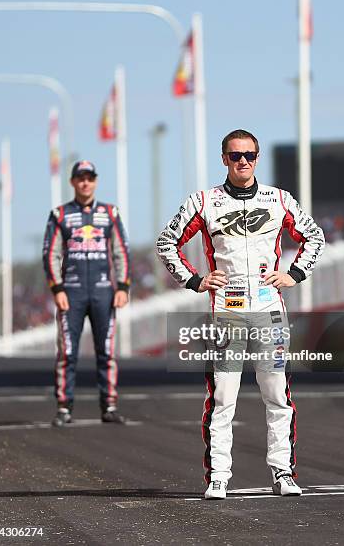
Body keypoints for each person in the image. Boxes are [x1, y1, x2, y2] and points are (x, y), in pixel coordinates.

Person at [156, 129, 325, 499]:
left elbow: (315, 237)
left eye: (249, 155)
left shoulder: (279, 199)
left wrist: (294, 274)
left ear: (257, 157)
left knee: (277, 396)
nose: (243, 161)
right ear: (224, 159)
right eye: (235, 156)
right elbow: (166, 243)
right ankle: (219, 476)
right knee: (222, 399)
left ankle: (283, 472)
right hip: (226, 312)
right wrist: (195, 280)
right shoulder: (204, 202)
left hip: (270, 311)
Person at [43, 160, 130, 427]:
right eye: (80, 178)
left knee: (106, 351)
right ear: (72, 182)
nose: (85, 182)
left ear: (95, 180)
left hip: (104, 292)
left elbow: (121, 251)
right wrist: (57, 288)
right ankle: (64, 407)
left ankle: (110, 406)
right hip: (71, 292)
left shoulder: (110, 212)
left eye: (89, 177)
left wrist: (123, 286)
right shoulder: (59, 214)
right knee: (68, 352)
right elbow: (50, 253)